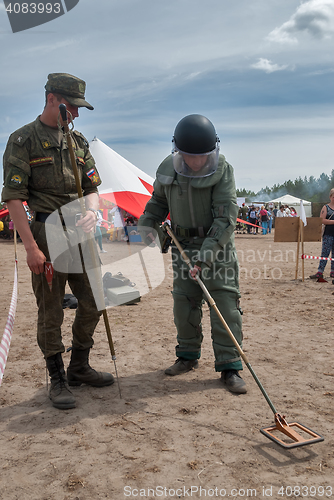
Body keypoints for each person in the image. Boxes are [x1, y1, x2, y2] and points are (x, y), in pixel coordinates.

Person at [1, 73, 114, 410]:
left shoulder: (79, 143)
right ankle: (57, 378)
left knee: (94, 299)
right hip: (46, 235)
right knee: (51, 310)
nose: (77, 114)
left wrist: (93, 212)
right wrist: (31, 248)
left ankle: (79, 366)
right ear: (53, 98)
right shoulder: (23, 140)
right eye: (72, 106)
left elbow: (93, 188)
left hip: (81, 235)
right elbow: (14, 200)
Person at [138, 114, 246, 394]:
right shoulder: (167, 170)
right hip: (182, 246)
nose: (195, 162)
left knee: (224, 304)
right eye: (188, 156)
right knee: (183, 304)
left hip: (217, 249)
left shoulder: (223, 171)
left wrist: (205, 256)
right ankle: (187, 356)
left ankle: (230, 365)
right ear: (178, 151)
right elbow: (157, 203)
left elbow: (225, 220)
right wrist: (147, 225)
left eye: (201, 157)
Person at [310, 188, 334, 279]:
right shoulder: (326, 207)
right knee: (325, 253)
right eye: (333, 197)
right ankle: (320, 272)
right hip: (328, 234)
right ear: (330, 197)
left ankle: (333, 271)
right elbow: (321, 220)